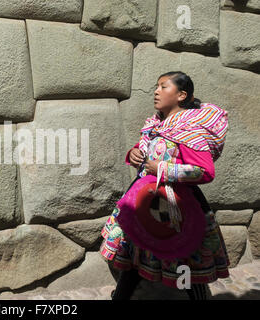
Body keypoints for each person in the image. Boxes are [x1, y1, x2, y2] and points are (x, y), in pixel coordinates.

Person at [99, 71, 231, 300]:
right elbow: (150, 151)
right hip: (144, 201)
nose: (156, 91)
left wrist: (162, 169)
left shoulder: (190, 130)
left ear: (181, 95)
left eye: (163, 87)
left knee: (185, 262)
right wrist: (134, 154)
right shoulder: (157, 125)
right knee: (134, 253)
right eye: (156, 87)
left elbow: (205, 171)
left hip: (177, 208)